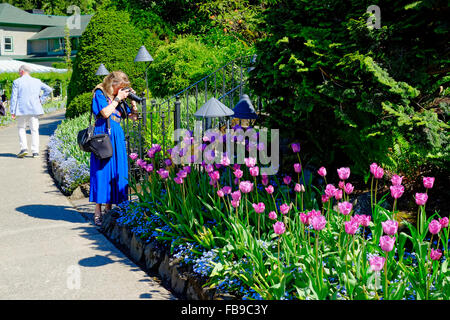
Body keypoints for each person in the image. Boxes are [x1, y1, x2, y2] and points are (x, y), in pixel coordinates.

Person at [90, 71, 138, 226]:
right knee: (102, 171)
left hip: (116, 135)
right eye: (120, 86)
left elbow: (133, 118)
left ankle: (109, 209)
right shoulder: (100, 93)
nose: (122, 89)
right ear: (113, 83)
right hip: (103, 136)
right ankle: (98, 210)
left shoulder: (120, 98)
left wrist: (133, 102)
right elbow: (104, 113)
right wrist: (117, 99)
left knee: (117, 170)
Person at [9, 65, 53, 158]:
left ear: (21, 71)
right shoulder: (37, 81)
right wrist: (41, 99)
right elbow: (49, 89)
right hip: (34, 109)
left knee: (21, 128)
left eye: (19, 71)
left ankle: (24, 148)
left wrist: (12, 111)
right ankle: (35, 151)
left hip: (21, 109)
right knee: (34, 130)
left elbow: (14, 97)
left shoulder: (17, 82)